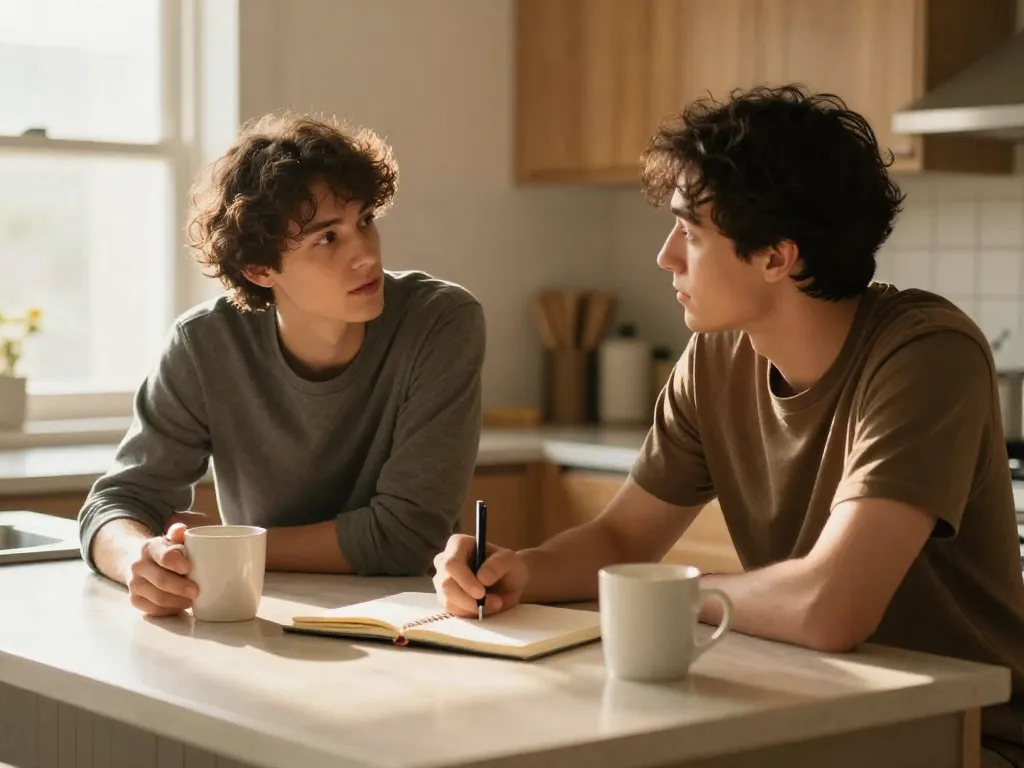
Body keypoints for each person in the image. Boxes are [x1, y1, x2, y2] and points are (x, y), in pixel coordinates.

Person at [431, 85, 1024, 764]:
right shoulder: (716, 355)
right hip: (812, 710)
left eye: (689, 233)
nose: (665, 258)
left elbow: (830, 606)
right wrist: (519, 572)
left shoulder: (925, 353)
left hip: (963, 737)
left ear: (776, 256)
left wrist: (666, 600)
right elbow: (622, 537)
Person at [80, 110, 486, 618]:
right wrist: (139, 558)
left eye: (364, 221)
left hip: (406, 619)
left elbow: (406, 535)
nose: (365, 254)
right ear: (260, 269)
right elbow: (114, 504)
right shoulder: (204, 344)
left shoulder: (440, 321)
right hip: (257, 613)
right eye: (327, 238)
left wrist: (228, 549)